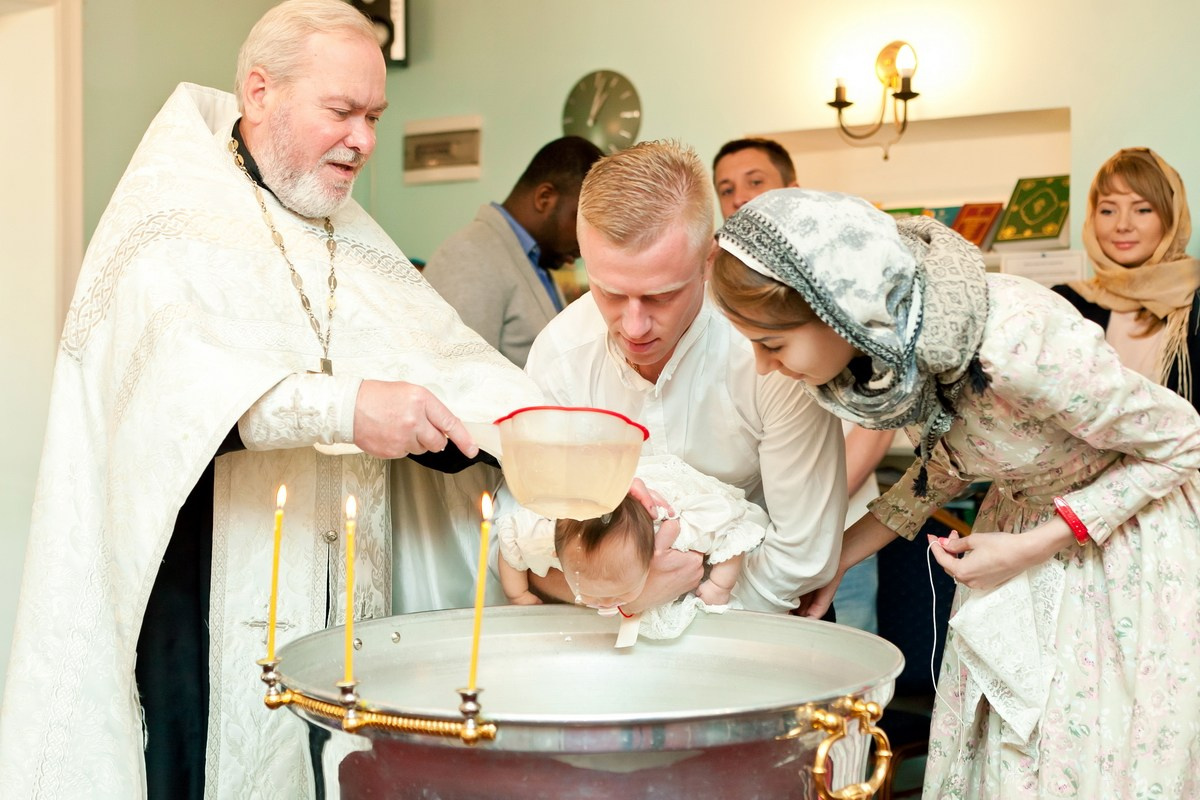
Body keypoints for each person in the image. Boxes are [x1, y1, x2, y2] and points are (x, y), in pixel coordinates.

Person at [0, 2, 542, 798]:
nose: (363, 139)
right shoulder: (168, 218)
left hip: (346, 605)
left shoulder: (354, 238)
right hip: (201, 600)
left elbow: (457, 370)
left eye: (375, 116)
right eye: (342, 111)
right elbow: (176, 394)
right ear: (260, 92)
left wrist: (557, 447)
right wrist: (348, 408)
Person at [709, 187, 1200, 798]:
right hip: (1019, 538)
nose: (760, 366)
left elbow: (1184, 441)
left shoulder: (1015, 345)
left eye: (772, 344)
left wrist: (1042, 542)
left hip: (1123, 549)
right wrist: (834, 560)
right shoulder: (913, 351)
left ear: (841, 307)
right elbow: (948, 463)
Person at [515, 140, 846, 616]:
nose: (633, 326)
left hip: (759, 624)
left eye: (661, 296)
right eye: (608, 292)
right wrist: (629, 600)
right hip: (606, 630)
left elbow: (801, 558)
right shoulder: (560, 356)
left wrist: (666, 613)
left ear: (708, 261)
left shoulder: (770, 357)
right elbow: (527, 534)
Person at [714, 136, 892, 632]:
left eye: (755, 182)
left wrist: (819, 504)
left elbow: (877, 425)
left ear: (792, 192)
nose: (740, 198)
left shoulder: (843, 309)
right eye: (726, 189)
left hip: (843, 514)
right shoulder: (741, 303)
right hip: (780, 533)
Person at [496, 455, 767, 638]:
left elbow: (733, 526)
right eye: (588, 594)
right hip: (594, 487)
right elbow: (510, 542)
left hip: (661, 494)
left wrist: (720, 585)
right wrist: (517, 594)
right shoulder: (545, 534)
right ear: (557, 555)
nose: (605, 604)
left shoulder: (679, 530)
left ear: (651, 558)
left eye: (621, 592)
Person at [422, 136, 603, 368]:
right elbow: (457, 376)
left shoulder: (537, 261)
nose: (586, 237)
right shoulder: (469, 255)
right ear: (545, 198)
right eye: (580, 219)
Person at [1053, 147, 1200, 412]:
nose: (1122, 225)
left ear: (1171, 218)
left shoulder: (1195, 302)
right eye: (1108, 211)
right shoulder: (1066, 304)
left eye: (1142, 210)